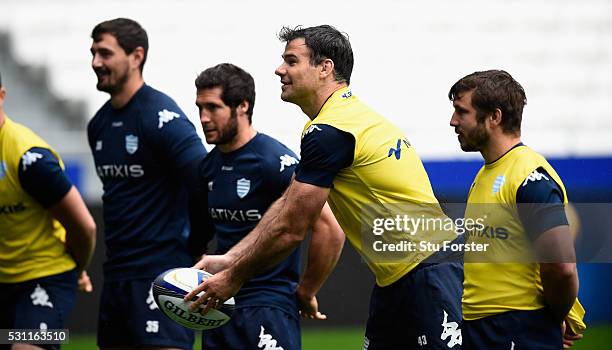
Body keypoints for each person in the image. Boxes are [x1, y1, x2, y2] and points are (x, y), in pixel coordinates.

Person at [187, 25, 464, 349]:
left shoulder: (331, 129)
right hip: (397, 278)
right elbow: (287, 204)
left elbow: (292, 227)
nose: (280, 70)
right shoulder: (335, 120)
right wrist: (231, 258)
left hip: (428, 269)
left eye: (291, 61)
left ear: (324, 68)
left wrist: (233, 279)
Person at [193, 63, 344, 349]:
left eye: (213, 107)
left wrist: (306, 290)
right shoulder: (207, 167)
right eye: (199, 107)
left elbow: (330, 229)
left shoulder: (274, 161)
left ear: (242, 106)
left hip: (268, 306)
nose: (203, 118)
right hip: (219, 305)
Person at [88, 18, 208, 350]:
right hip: (115, 278)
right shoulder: (98, 125)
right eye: (93, 53)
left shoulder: (161, 117)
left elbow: (202, 182)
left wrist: (195, 244)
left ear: (136, 56)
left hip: (162, 275)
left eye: (105, 53)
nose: (96, 62)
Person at [448, 70, 586, 349]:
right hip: (483, 329)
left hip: (516, 329)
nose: (453, 121)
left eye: (461, 112)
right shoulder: (486, 174)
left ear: (494, 117)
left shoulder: (529, 176)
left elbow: (562, 268)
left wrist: (552, 317)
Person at [0, 71, 96, 350]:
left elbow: (85, 227)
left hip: (45, 278)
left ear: (2, 96)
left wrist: (78, 270)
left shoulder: (30, 158)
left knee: (28, 347)